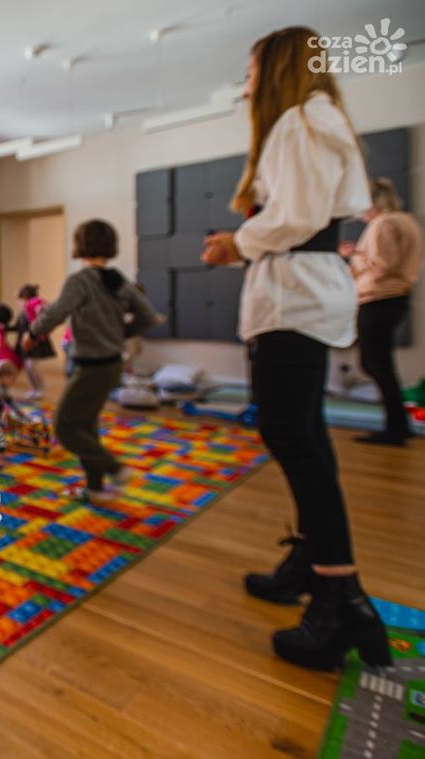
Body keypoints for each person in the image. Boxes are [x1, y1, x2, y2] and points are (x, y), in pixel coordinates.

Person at [200, 27, 391, 671]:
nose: (247, 82)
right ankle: (313, 560)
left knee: (291, 434)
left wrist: (239, 242)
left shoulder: (301, 119)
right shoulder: (314, 118)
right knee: (304, 431)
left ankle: (341, 596)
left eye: (252, 69)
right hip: (301, 294)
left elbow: (298, 217)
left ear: (277, 66)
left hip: (297, 301)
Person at [28, 219, 159, 503]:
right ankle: (96, 488)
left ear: (80, 244)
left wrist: (33, 333)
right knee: (86, 425)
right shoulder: (117, 280)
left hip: (93, 366)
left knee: (64, 426)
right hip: (112, 365)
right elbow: (149, 316)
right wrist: (121, 333)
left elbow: (57, 312)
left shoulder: (81, 280)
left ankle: (115, 468)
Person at [340, 178, 422, 446]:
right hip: (395, 297)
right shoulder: (406, 220)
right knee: (381, 364)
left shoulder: (383, 223)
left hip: (379, 298)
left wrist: (353, 256)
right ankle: (398, 424)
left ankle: (395, 427)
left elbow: (382, 263)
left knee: (374, 363)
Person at [15, 284, 55, 400]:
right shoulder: (24, 310)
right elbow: (19, 326)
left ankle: (40, 388)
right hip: (26, 341)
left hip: (35, 341)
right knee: (28, 366)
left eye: (20, 299)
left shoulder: (35, 304)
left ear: (25, 297)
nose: (19, 302)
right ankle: (34, 388)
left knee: (32, 365)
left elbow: (43, 316)